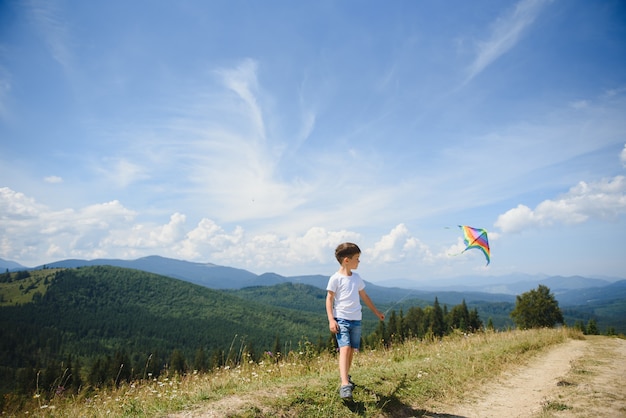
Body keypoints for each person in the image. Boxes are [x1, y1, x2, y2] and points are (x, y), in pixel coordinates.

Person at [326, 242, 385, 399]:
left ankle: (346, 375)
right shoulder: (335, 279)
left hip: (356, 320)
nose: (359, 261)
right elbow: (329, 299)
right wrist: (331, 319)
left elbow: (364, 296)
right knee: (344, 348)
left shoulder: (357, 278)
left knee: (351, 349)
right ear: (347, 260)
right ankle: (345, 384)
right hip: (342, 320)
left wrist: (376, 312)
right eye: (357, 258)